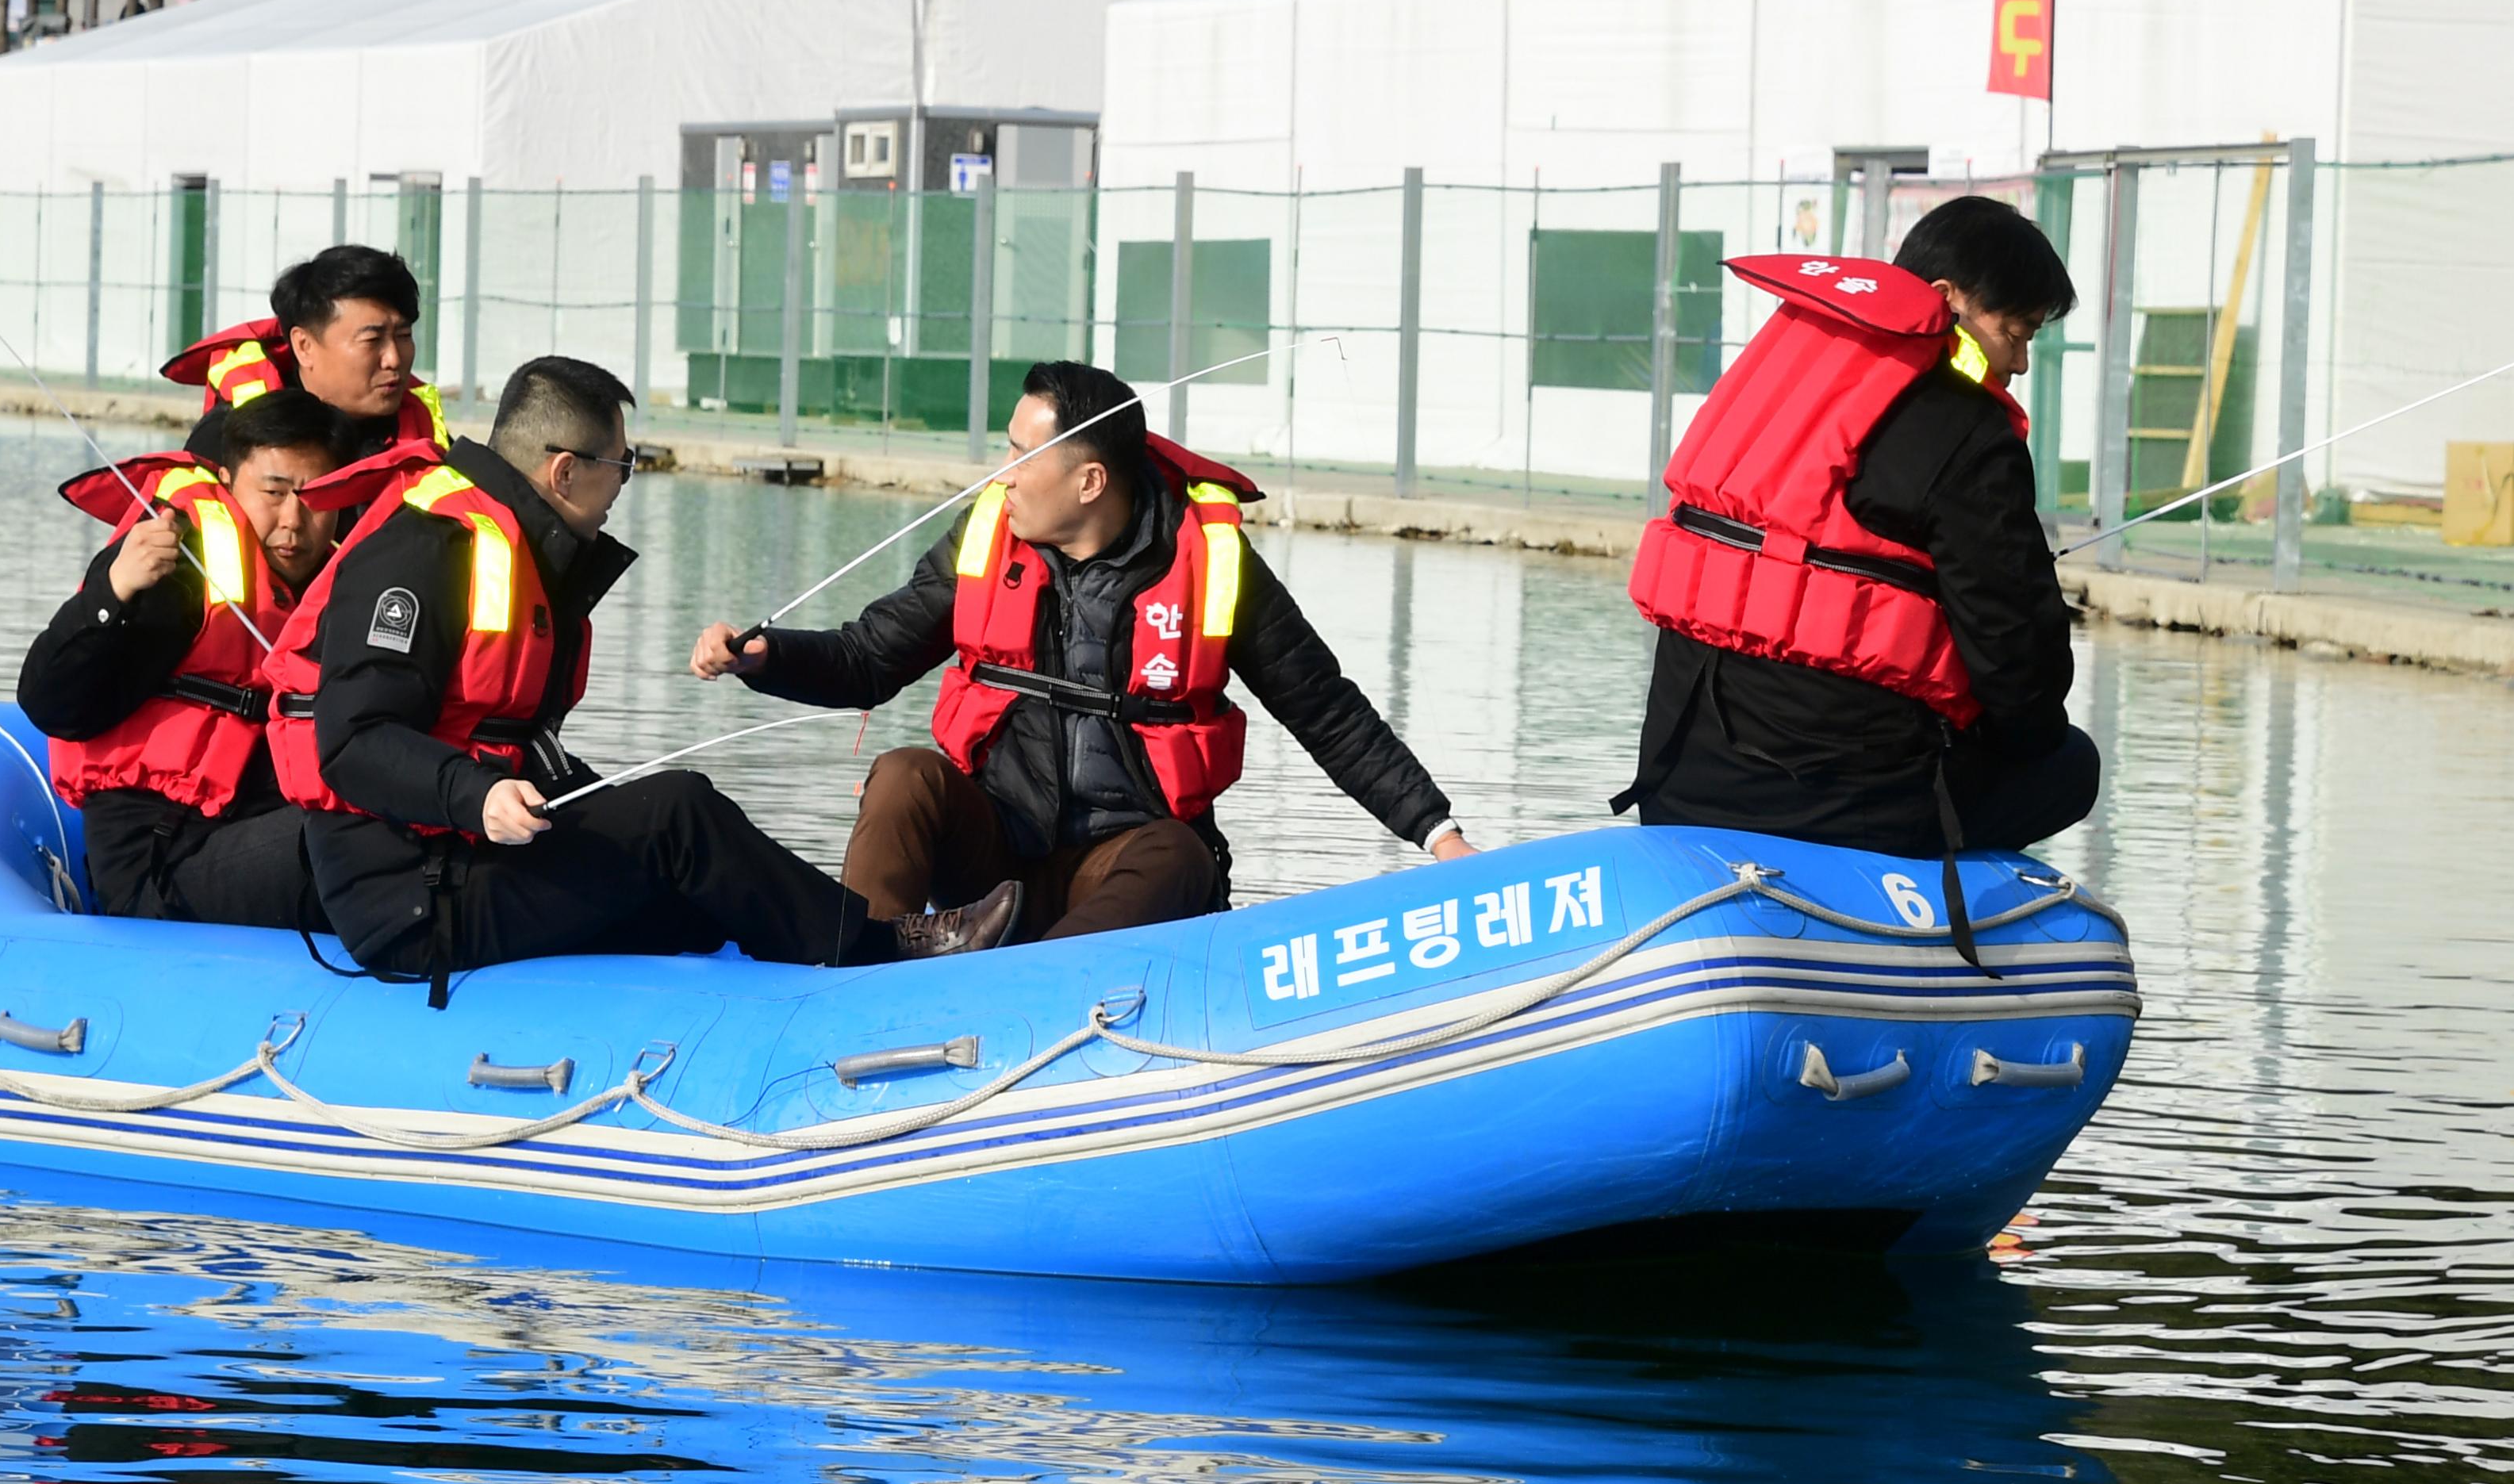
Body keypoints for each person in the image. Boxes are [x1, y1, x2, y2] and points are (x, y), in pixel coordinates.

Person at [692, 360, 1476, 957]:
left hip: (1122, 874)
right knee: (904, 775)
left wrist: (1439, 834)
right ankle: (856, 973)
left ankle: (1052, 997)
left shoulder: (1214, 562)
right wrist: (764, 656)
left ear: (1090, 479)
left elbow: (1328, 714)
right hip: (992, 872)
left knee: (1179, 853)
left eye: (1021, 455)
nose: (1001, 474)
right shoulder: (985, 537)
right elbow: (868, 657)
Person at [264, 355, 871, 1004]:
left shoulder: (520, 547)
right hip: (412, 895)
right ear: (565, 471)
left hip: (475, 857)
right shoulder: (426, 548)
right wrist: (477, 795)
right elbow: (353, 740)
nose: (622, 487)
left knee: (695, 897)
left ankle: (826, 971)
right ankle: (877, 953)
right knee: (677, 812)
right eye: (622, 466)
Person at [1614, 196, 2096, 964]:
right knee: (2068, 765)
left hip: (1679, 783)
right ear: (1946, 301)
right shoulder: (1969, 431)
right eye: (2017, 332)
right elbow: (2018, 666)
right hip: (1831, 802)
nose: (2020, 363)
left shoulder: (1773, 389)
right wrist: (2012, 732)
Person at [18, 389, 349, 927]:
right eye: (274, 492)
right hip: (163, 865)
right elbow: (47, 702)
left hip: (255, 832)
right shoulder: (178, 574)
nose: (294, 519)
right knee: (353, 834)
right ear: (229, 483)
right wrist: (115, 591)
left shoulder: (347, 590)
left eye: (316, 499)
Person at [163, 243, 447, 463]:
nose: (394, 359)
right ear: (304, 346)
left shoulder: (425, 435)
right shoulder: (231, 437)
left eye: (404, 336)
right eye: (372, 340)